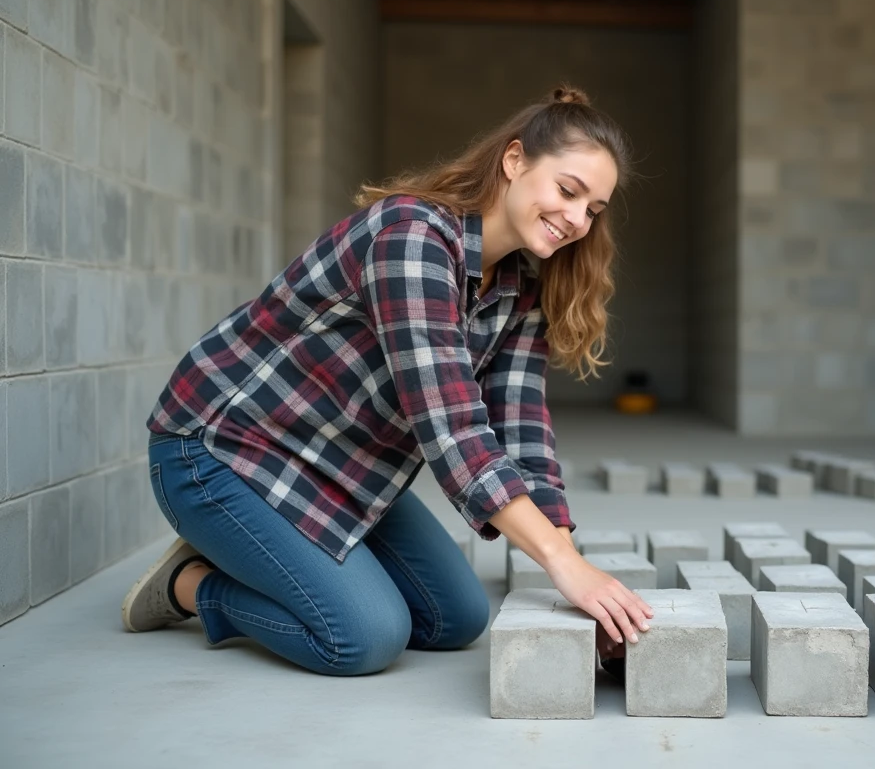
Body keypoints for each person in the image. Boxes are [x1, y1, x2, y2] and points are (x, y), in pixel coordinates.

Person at [121, 85, 653, 677]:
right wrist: (560, 563)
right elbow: (451, 428)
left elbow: (523, 437)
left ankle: (279, 557)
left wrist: (579, 575)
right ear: (513, 161)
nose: (578, 219)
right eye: (568, 191)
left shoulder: (519, 292)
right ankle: (190, 584)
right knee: (365, 637)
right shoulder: (412, 237)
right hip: (223, 450)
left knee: (456, 618)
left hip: (342, 467)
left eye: (594, 210)